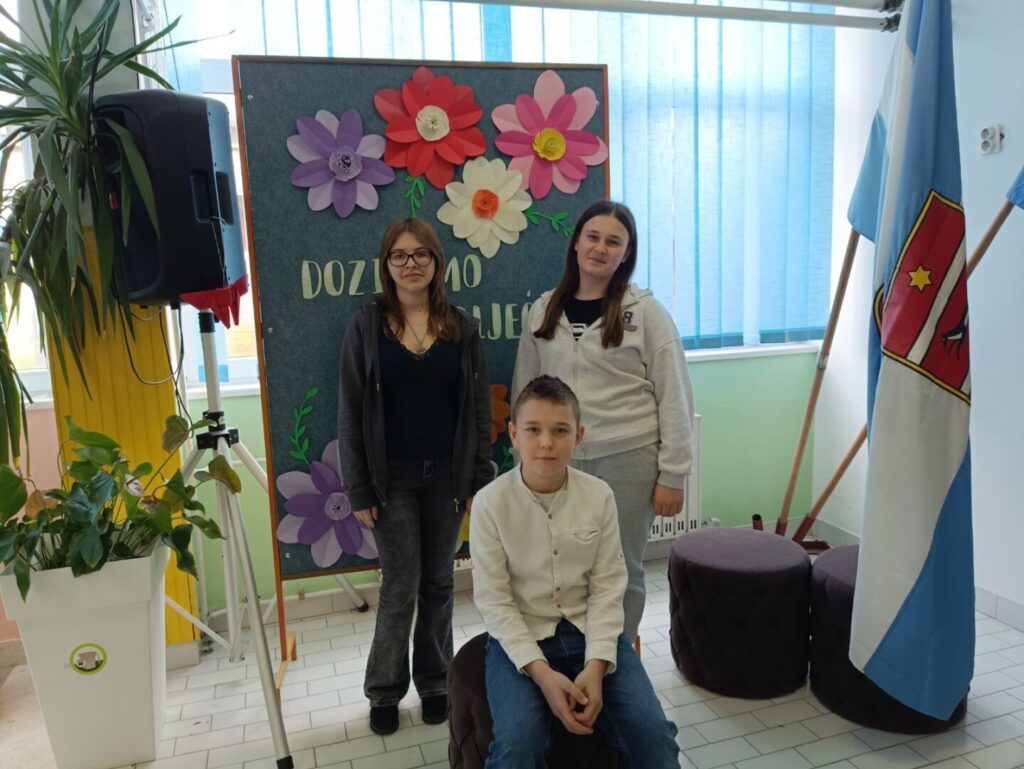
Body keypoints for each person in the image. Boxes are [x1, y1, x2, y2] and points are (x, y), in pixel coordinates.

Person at [471, 375, 680, 768]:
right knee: (517, 747)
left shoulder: (598, 495)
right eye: (533, 430)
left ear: (578, 435)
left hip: (591, 630)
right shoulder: (489, 503)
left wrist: (597, 665)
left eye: (560, 430)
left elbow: (608, 587)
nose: (546, 443)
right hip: (523, 636)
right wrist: (542, 675)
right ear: (513, 434)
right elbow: (494, 600)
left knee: (655, 738)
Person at [337, 217, 493, 735]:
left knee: (440, 582)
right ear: (386, 265)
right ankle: (384, 690)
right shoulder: (366, 326)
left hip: (447, 479)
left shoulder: (461, 327)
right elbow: (350, 410)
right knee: (400, 585)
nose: (411, 264)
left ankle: (435, 681)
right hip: (391, 482)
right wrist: (358, 486)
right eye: (400, 255)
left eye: (421, 254)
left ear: (436, 263)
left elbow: (478, 410)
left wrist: (477, 479)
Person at [512, 200, 695, 643]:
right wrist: (524, 460)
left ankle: (617, 655)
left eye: (614, 242)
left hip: (628, 459)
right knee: (560, 565)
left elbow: (675, 395)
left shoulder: (646, 313)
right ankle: (572, 652)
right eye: (593, 237)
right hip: (558, 461)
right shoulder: (542, 310)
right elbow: (525, 392)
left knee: (621, 566)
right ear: (576, 242)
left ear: (626, 253)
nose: (600, 248)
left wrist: (673, 474)